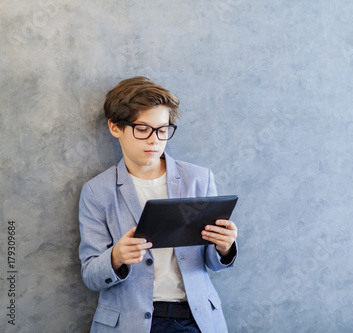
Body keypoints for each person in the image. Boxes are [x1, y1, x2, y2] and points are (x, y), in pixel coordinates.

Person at [78, 76, 238, 333]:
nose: (155, 140)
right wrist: (116, 257)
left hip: (195, 319)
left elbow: (213, 262)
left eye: (163, 129)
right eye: (142, 129)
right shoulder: (97, 192)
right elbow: (90, 275)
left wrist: (224, 247)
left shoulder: (198, 178)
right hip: (129, 323)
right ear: (115, 127)